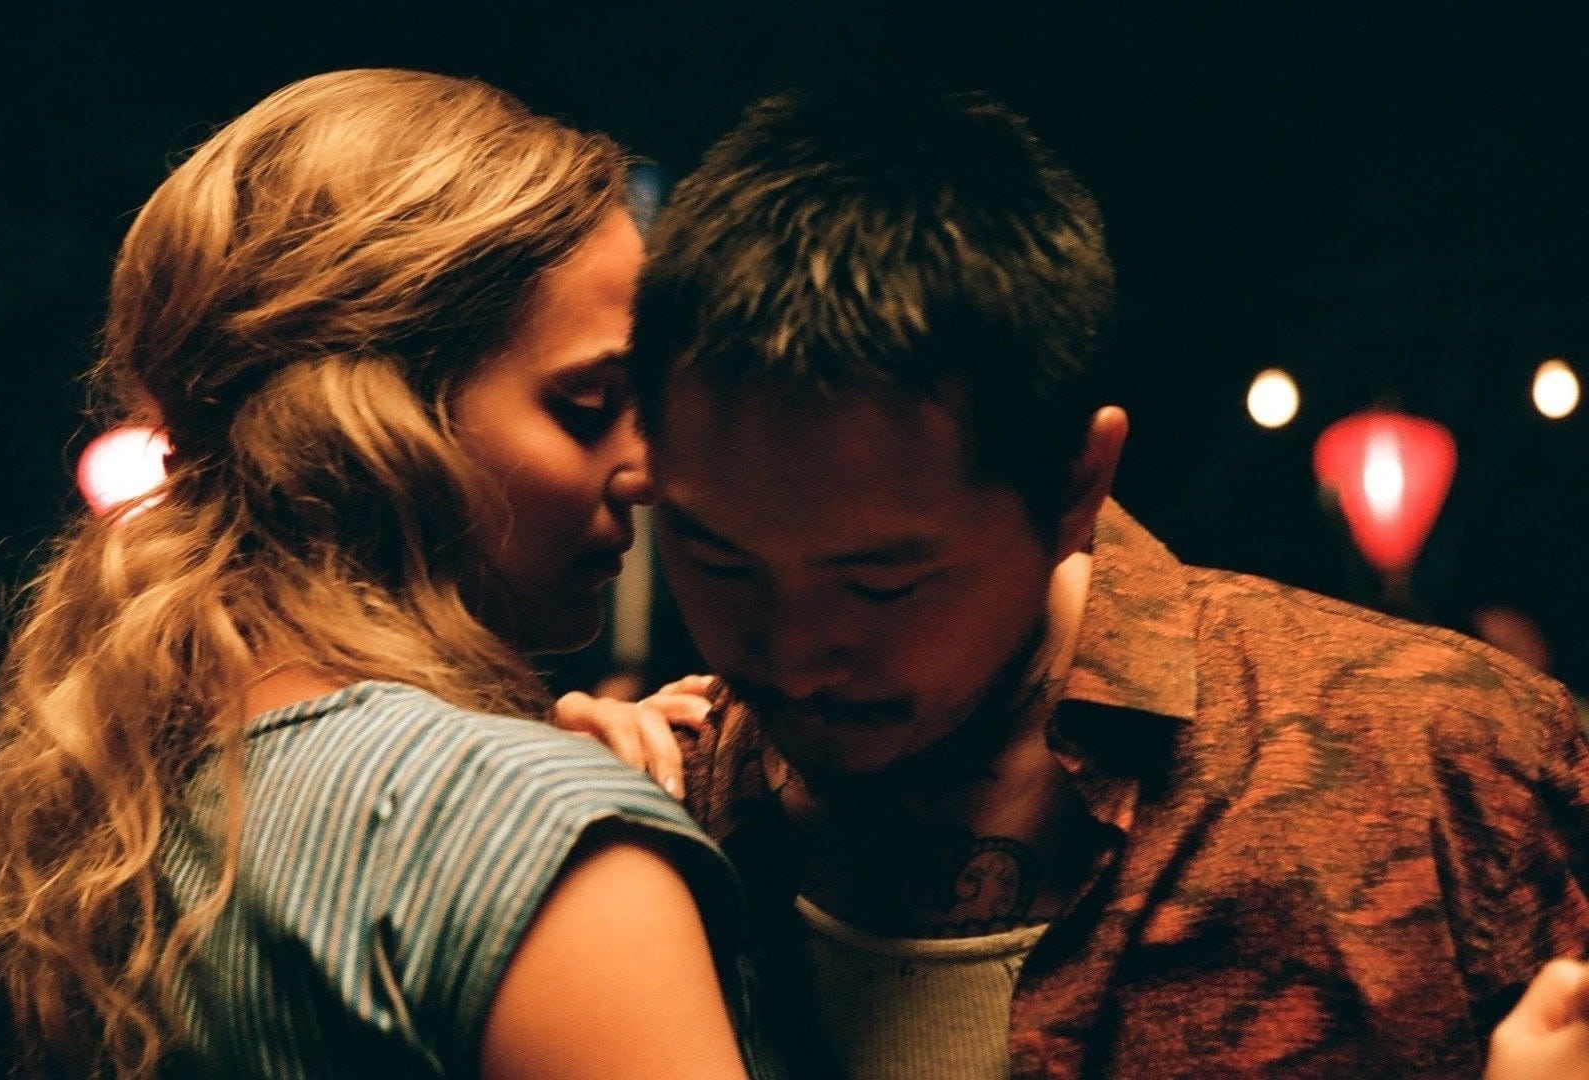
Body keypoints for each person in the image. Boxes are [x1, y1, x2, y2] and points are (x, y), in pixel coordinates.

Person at [603, 86, 1589, 1078]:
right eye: (719, 562)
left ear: (1078, 483)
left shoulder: (1445, 767)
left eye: (883, 584)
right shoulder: (659, 816)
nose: (794, 656)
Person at [0, 69, 777, 1080]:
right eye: (588, 406)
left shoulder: (126, 799)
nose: (647, 470)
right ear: (373, 421)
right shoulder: (544, 844)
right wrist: (539, 807)